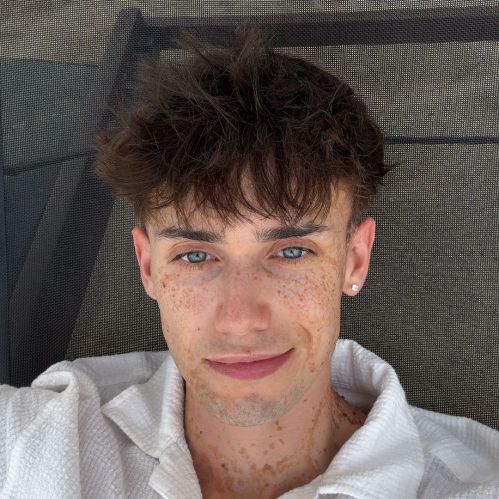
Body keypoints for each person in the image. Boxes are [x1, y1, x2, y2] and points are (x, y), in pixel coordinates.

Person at [1, 24, 498, 499]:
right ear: (148, 268)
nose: (240, 319)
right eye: (195, 255)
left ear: (354, 260)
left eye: (291, 252)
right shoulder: (36, 442)